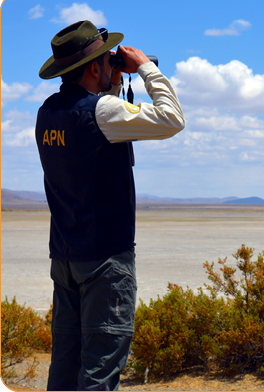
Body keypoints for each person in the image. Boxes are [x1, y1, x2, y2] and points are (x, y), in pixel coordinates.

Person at [35, 20, 185, 390]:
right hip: (104, 261)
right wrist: (148, 69)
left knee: (65, 365)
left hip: (66, 257)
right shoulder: (102, 113)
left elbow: (101, 124)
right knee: (101, 368)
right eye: (106, 59)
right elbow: (171, 119)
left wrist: (113, 81)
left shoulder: (48, 113)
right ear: (92, 67)